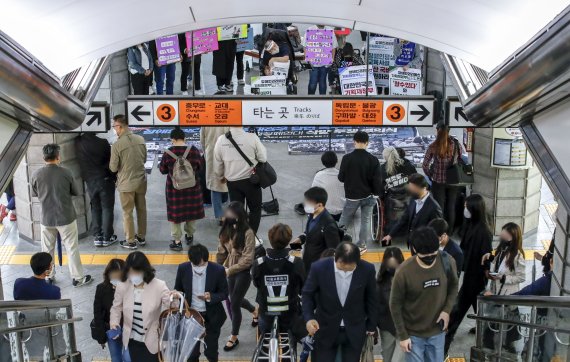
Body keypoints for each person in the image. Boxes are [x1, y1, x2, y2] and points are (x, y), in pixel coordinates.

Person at [390, 227, 459, 362]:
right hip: (413, 334)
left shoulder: (448, 261)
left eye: (433, 255)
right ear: (414, 250)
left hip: (437, 332)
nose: (430, 259)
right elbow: (395, 305)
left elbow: (454, 286)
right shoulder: (403, 272)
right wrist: (403, 336)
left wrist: (447, 310)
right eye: (425, 257)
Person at [302, 242, 377, 362]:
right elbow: (307, 295)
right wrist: (309, 318)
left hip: (354, 329)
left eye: (350, 268)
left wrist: (371, 325)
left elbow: (372, 298)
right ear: (335, 257)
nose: (345, 271)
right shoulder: (319, 268)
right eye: (341, 266)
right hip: (325, 329)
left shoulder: (367, 269)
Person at [31, 144, 93, 287]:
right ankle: (78, 278)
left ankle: (48, 277)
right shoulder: (66, 172)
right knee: (71, 248)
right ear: (58, 157)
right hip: (66, 217)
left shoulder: (36, 174)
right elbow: (76, 192)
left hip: (46, 218)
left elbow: (34, 194)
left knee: (47, 249)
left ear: (43, 157)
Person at [445, 193, 493, 353]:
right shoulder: (471, 224)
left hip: (476, 277)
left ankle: (446, 340)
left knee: (458, 309)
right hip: (470, 274)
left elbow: (485, 255)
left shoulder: (484, 231)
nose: (464, 209)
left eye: (466, 206)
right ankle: (484, 329)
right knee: (477, 307)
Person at [110, 251, 171, 362]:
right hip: (132, 339)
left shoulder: (159, 285)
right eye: (130, 272)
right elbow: (116, 307)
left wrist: (173, 298)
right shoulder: (123, 285)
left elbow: (170, 305)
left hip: (152, 341)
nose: (133, 276)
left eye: (136, 272)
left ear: (145, 270)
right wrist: (114, 322)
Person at [175, 244, 229, 362]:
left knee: (211, 351)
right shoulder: (183, 268)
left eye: (202, 264)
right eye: (196, 265)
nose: (199, 267)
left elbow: (225, 293)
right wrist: (177, 295)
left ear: (207, 259)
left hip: (212, 316)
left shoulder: (218, 270)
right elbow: (178, 289)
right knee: (191, 353)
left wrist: (211, 297)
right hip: (191, 316)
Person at [252, 223, 306, 341]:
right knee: (290, 346)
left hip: (266, 313)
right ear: (288, 241)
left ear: (270, 239)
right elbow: (303, 285)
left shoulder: (259, 263)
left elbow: (256, 284)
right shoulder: (296, 263)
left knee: (263, 345)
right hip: (290, 315)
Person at [215, 202, 257, 351]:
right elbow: (221, 252)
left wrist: (230, 270)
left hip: (243, 272)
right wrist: (217, 269)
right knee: (235, 299)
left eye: (230, 214)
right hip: (229, 271)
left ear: (238, 216)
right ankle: (254, 311)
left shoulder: (248, 232)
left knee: (234, 304)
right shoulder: (225, 229)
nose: (226, 215)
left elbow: (247, 259)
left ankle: (234, 336)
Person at [213, 127, 267, 233]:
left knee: (236, 212)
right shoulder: (252, 137)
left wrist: (220, 176)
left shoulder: (221, 140)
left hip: (233, 183)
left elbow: (217, 163)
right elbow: (263, 158)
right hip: (252, 181)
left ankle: (240, 237)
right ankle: (251, 237)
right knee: (255, 210)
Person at [159, 127, 204, 251]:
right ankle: (189, 235)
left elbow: (162, 170)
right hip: (192, 188)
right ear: (185, 138)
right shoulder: (194, 151)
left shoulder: (168, 152)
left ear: (172, 139)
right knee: (191, 212)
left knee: (175, 215)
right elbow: (200, 167)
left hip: (174, 190)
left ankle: (177, 241)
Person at [109, 115, 148, 250]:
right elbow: (144, 159)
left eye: (114, 126)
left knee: (127, 212)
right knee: (141, 209)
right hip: (141, 181)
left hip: (126, 184)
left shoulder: (117, 145)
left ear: (120, 126)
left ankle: (130, 241)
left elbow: (113, 168)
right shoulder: (141, 139)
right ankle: (141, 237)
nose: (114, 129)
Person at [338, 131, 381, 251]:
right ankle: (362, 245)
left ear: (354, 142)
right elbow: (377, 180)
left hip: (352, 196)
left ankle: (337, 240)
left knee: (345, 219)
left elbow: (341, 178)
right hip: (369, 196)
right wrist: (376, 195)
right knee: (365, 221)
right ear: (367, 143)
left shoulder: (347, 158)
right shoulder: (373, 159)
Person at [75, 133, 117, 247]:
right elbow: (111, 163)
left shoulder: (78, 142)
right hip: (105, 179)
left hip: (90, 181)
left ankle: (98, 236)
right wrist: (114, 178)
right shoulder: (103, 143)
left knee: (95, 207)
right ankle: (107, 236)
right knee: (107, 208)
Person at [422, 125, 466, 233]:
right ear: (449, 131)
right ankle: (449, 231)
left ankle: (440, 230)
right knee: (451, 206)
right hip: (453, 180)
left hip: (438, 181)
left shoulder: (433, 146)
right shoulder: (455, 144)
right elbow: (461, 158)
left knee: (439, 207)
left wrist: (431, 175)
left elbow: (425, 165)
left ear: (437, 131)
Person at [381, 173, 443, 247]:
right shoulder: (413, 199)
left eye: (413, 189)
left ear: (424, 188)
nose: (410, 191)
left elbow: (437, 232)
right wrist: (390, 235)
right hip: (412, 244)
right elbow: (403, 219)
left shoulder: (434, 208)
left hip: (424, 247)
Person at [291, 187, 341, 273]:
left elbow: (333, 251)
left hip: (319, 268)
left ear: (319, 205)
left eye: (308, 202)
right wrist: (301, 238)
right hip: (308, 261)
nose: (305, 204)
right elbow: (309, 232)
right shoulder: (312, 214)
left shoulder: (329, 225)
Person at [92, 259, 128, 362]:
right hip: (112, 331)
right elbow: (97, 314)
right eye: (114, 276)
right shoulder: (101, 289)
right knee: (116, 359)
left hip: (129, 331)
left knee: (128, 357)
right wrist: (101, 338)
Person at [379, 146, 417, 237]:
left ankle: (387, 242)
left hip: (392, 200)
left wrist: (381, 197)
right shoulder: (408, 165)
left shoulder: (383, 168)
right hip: (408, 197)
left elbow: (380, 187)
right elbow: (416, 179)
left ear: (385, 157)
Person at [377, 247, 405, 362]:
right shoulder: (379, 283)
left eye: (396, 265)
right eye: (391, 266)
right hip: (387, 327)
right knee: (387, 357)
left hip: (404, 327)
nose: (394, 269)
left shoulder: (408, 279)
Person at [483, 222, 526, 295]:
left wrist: (504, 278)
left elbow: (521, 277)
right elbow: (501, 264)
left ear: (512, 237)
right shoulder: (502, 249)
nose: (501, 236)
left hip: (508, 296)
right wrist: (491, 258)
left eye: (504, 234)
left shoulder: (518, 256)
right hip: (496, 292)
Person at [200, 127, 231, 223]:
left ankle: (220, 216)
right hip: (227, 154)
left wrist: (206, 153)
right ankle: (230, 213)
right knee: (230, 182)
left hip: (211, 154)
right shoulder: (229, 118)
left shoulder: (206, 122)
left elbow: (202, 140)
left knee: (215, 186)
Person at [311, 151, 345, 220]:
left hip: (326, 212)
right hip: (343, 211)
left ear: (323, 162)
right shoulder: (343, 174)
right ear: (336, 161)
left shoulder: (319, 175)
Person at [305, 25, 338, 95]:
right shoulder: (310, 29)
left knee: (322, 82)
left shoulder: (330, 30)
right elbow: (305, 45)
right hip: (313, 63)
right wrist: (307, 58)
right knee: (312, 83)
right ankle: (310, 100)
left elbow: (333, 47)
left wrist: (332, 59)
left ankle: (322, 100)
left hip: (325, 63)